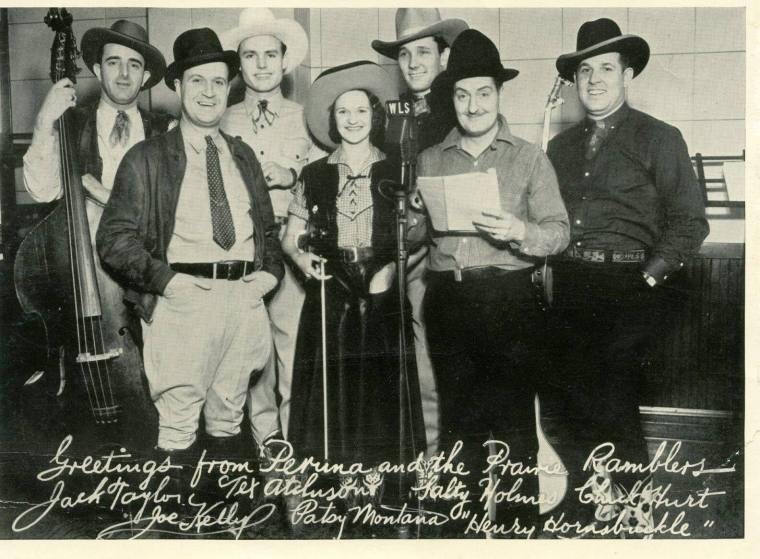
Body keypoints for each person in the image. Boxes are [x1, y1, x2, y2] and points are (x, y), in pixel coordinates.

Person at [545, 18, 709, 531]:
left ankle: (636, 514)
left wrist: (649, 279)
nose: (594, 80)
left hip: (628, 288)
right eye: (585, 70)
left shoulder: (660, 139)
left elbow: (690, 222)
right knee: (572, 404)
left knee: (613, 402)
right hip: (569, 284)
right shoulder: (559, 148)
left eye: (606, 69)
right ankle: (592, 505)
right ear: (575, 81)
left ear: (627, 74)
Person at [96, 28, 283, 462]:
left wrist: (267, 276)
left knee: (228, 418)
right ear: (177, 86)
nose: (209, 92)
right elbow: (113, 239)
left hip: (242, 299)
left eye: (219, 81)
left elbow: (268, 232)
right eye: (197, 80)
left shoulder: (243, 155)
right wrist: (168, 283)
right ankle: (178, 526)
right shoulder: (147, 157)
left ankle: (224, 522)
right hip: (184, 302)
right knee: (178, 425)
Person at [409, 29, 570, 535]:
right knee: (460, 424)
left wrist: (520, 231)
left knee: (515, 426)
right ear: (451, 99)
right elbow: (415, 235)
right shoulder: (431, 159)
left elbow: (559, 233)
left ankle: (519, 533)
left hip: (509, 301)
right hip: (448, 299)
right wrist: (412, 214)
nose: (472, 104)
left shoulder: (527, 158)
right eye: (461, 93)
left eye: (483, 92)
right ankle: (462, 533)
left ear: (499, 95)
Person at [283, 61, 408, 472]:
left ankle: (381, 480)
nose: (352, 120)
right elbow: (290, 237)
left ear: (374, 114)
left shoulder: (398, 170)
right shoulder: (313, 174)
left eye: (360, 110)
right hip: (330, 293)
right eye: (343, 112)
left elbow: (416, 233)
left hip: (383, 290)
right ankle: (337, 483)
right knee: (331, 390)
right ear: (332, 120)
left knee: (379, 388)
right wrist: (304, 261)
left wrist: (390, 268)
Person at [371, 7, 468, 458]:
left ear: (444, 57)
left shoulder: (462, 108)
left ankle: (436, 465)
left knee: (434, 370)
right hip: (396, 253)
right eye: (405, 54)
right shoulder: (392, 117)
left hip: (443, 259)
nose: (413, 63)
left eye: (423, 52)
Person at [220, 8, 311, 447]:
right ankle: (268, 451)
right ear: (238, 63)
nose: (261, 64)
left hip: (290, 249)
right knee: (254, 359)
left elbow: (321, 180)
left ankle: (296, 453)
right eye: (250, 55)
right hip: (241, 253)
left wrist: (292, 172)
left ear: (284, 60)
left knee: (293, 355)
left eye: (270, 54)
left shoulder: (307, 118)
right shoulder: (220, 116)